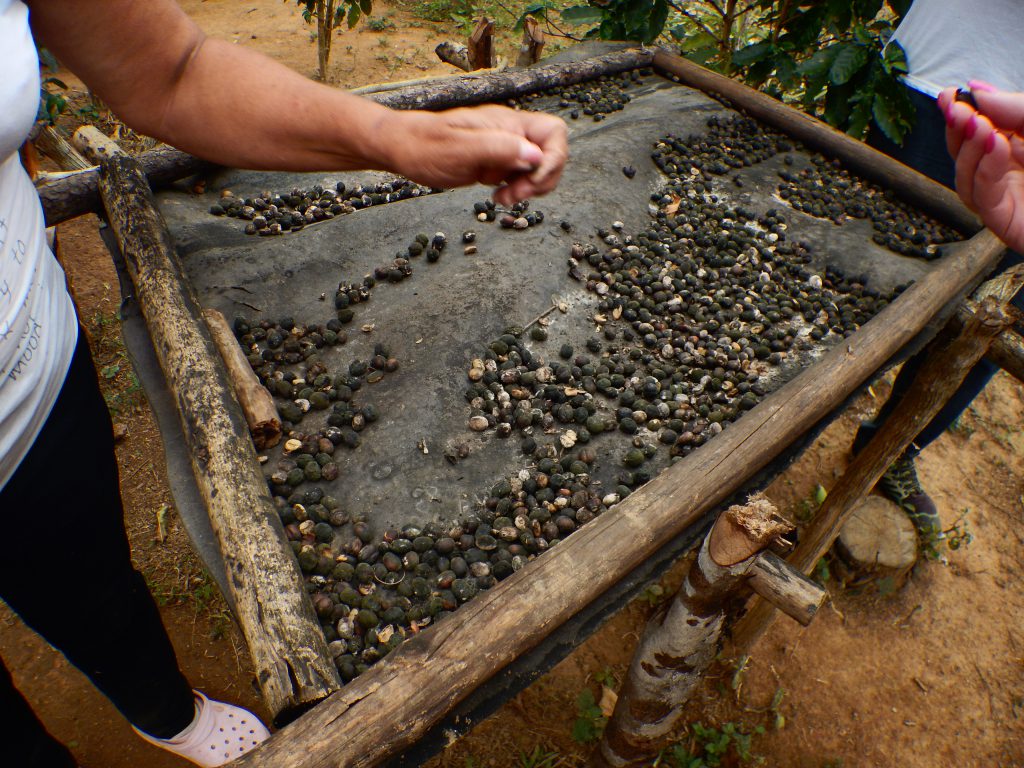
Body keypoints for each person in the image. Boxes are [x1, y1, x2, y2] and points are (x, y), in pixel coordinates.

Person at [1, 0, 568, 765]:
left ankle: (163, 712)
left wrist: (399, 135)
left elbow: (173, 69)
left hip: (32, 387)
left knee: (91, 585)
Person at [853, 0, 1023, 541]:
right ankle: (763, 437)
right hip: (938, 86)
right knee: (858, 280)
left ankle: (892, 449)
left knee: (987, 326)